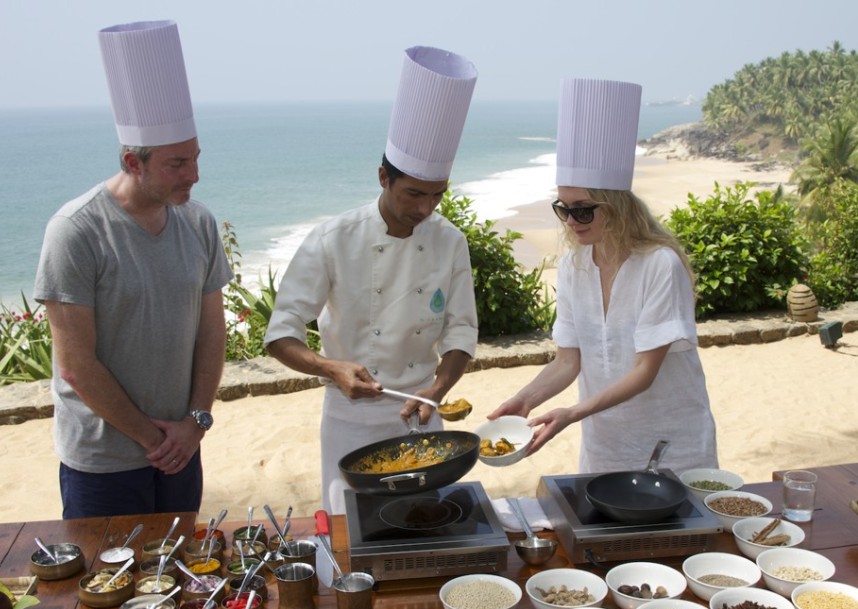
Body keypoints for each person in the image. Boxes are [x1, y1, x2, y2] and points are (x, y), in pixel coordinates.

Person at [265, 46, 479, 514]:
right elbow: (281, 332)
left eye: (437, 195)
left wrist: (437, 390)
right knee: (351, 526)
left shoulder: (450, 241)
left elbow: (462, 330)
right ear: (382, 177)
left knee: (426, 521)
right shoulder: (332, 239)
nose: (424, 208)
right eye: (413, 193)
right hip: (349, 418)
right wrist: (331, 368)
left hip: (422, 411)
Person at [33, 21, 231, 519]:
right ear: (132, 160)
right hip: (104, 462)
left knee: (184, 582)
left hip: (182, 447)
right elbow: (77, 366)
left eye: (196, 158)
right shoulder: (75, 231)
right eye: (177, 163)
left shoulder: (199, 221)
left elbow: (211, 331)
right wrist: (155, 439)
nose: (194, 175)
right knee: (109, 588)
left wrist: (194, 423)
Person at [490, 78, 718, 474]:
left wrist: (572, 413)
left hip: (671, 445)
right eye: (563, 209)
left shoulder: (660, 264)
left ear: (615, 207)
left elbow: (645, 372)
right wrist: (526, 400)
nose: (572, 221)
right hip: (605, 445)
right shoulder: (574, 266)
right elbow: (567, 360)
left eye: (583, 209)